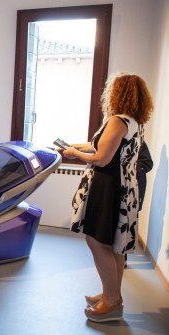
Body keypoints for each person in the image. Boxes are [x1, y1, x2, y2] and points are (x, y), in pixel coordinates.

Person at [63, 73, 153, 322]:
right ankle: (112, 294)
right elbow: (104, 147)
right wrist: (77, 146)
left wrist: (74, 154)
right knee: (115, 244)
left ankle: (111, 301)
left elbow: (102, 158)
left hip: (107, 187)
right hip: (123, 187)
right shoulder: (133, 122)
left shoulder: (116, 120)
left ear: (117, 94)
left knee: (96, 241)